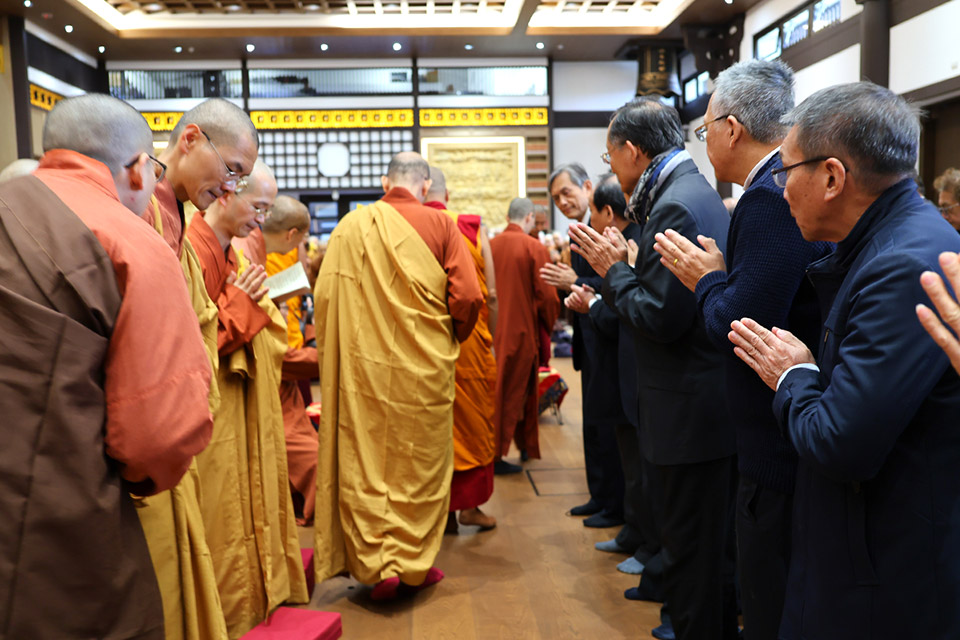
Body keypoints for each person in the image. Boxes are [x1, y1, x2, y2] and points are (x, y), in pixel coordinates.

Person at [728, 82, 960, 640]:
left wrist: (793, 374)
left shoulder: (906, 265)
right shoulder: (885, 242)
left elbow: (840, 441)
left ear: (832, 176)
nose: (780, 192)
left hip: (883, 568)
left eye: (786, 172)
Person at [0, 94, 212, 638]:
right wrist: (141, 480)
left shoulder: (10, 203)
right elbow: (159, 434)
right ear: (140, 168)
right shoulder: (129, 240)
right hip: (58, 509)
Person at [650, 59, 831, 640]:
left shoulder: (769, 194)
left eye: (704, 131)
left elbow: (737, 322)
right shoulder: (781, 184)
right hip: (789, 423)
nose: (706, 144)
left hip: (776, 437)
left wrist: (707, 279)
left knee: (771, 593)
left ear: (730, 128)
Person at [568, 98, 737, 640]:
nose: (610, 167)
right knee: (698, 546)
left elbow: (661, 318)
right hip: (692, 403)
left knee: (691, 548)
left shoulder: (674, 206)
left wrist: (613, 271)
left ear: (634, 152)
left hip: (687, 407)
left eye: (610, 154)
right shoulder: (685, 193)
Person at [314, 152, 482, 601]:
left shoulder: (351, 227)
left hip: (362, 371)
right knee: (417, 463)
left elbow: (325, 293)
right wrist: (447, 336)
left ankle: (375, 562)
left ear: (385, 181)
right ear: (425, 186)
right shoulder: (441, 225)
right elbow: (467, 297)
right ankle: (412, 566)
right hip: (422, 371)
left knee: (368, 458)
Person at [136, 97, 261, 640]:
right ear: (190, 140)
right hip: (147, 429)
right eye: (232, 170)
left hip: (176, 420)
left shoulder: (176, 216)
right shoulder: (141, 209)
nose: (234, 190)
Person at [187, 161, 309, 637]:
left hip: (245, 399)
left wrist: (251, 302)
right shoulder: (192, 247)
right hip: (214, 407)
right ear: (225, 195)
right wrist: (249, 303)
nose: (263, 219)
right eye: (258, 207)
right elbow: (198, 338)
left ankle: (253, 599)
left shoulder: (233, 249)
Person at [565, 173, 661, 576]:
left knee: (640, 465)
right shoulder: (611, 237)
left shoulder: (639, 237)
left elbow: (639, 305)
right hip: (611, 357)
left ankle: (645, 542)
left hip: (634, 360)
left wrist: (591, 296)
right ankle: (631, 531)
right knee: (624, 451)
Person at [543, 164, 624, 526]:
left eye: (566, 193)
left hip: (610, 337)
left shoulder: (605, 228)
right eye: (556, 198)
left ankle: (613, 504)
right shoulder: (577, 232)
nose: (562, 202)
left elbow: (616, 279)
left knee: (608, 425)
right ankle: (599, 495)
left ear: (588, 186)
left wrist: (574, 280)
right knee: (592, 421)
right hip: (588, 339)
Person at [233, 195, 319, 526]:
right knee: (304, 451)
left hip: (285, 354)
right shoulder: (243, 249)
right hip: (264, 362)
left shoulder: (260, 247)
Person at [424, 166, 500, 532]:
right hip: (470, 339)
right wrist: (491, 341)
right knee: (471, 423)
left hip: (425, 341)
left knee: (432, 424)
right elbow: (493, 295)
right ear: (447, 195)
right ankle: (468, 508)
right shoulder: (471, 226)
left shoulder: (409, 228)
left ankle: (436, 511)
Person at [490, 197, 560, 473]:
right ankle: (497, 455)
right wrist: (548, 325)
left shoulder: (490, 247)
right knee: (516, 393)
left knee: (500, 392)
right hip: (521, 333)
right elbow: (548, 297)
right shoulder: (534, 247)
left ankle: (521, 447)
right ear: (530, 217)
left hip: (492, 332)